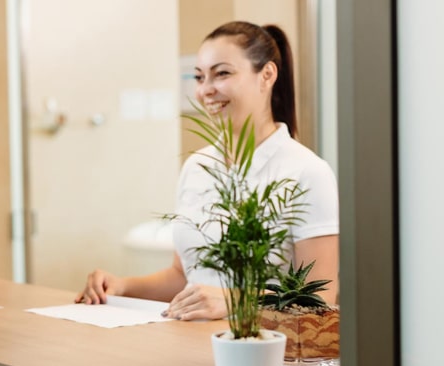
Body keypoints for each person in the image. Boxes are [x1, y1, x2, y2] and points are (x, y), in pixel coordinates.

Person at [76, 21, 339, 321]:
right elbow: (184, 275)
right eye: (199, 77)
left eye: (222, 73)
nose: (205, 91)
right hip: (186, 346)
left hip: (264, 353)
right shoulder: (197, 167)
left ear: (267, 75)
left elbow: (318, 299)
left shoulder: (308, 172)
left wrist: (235, 301)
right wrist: (121, 286)